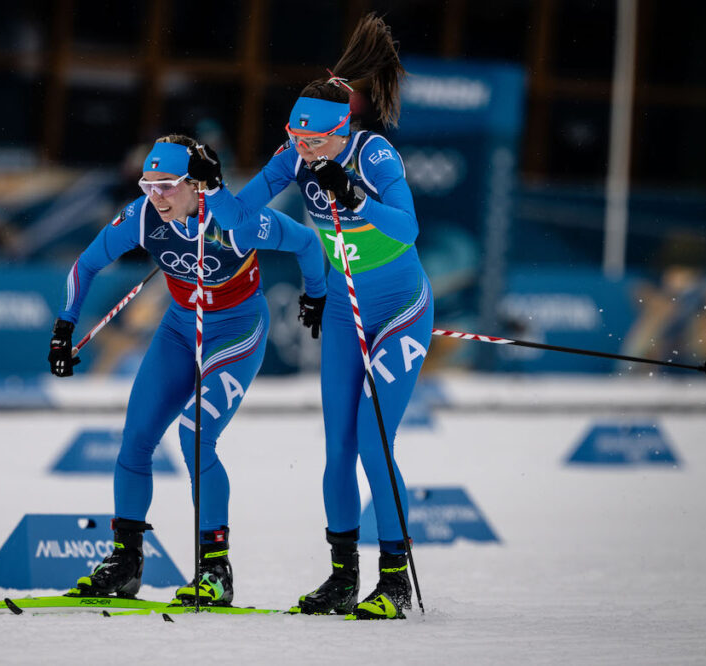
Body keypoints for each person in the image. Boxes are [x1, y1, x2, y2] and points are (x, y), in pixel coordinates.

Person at [188, 14, 433, 619]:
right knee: (338, 448)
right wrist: (212, 189)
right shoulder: (294, 156)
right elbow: (241, 220)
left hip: (400, 311)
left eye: (313, 142)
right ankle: (343, 577)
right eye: (295, 139)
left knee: (376, 444)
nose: (302, 150)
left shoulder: (374, 154)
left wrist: (356, 197)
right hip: (350, 316)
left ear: (340, 129)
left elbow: (408, 229)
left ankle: (395, 582)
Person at [48, 134, 327, 606]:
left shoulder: (235, 221)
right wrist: (63, 328)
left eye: (167, 186)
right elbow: (86, 264)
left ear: (197, 185)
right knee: (135, 438)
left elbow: (305, 242)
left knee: (196, 435)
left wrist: (315, 294)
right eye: (147, 184)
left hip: (236, 331)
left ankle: (215, 570)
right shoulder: (141, 216)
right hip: (179, 329)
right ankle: (126, 562)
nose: (154, 196)